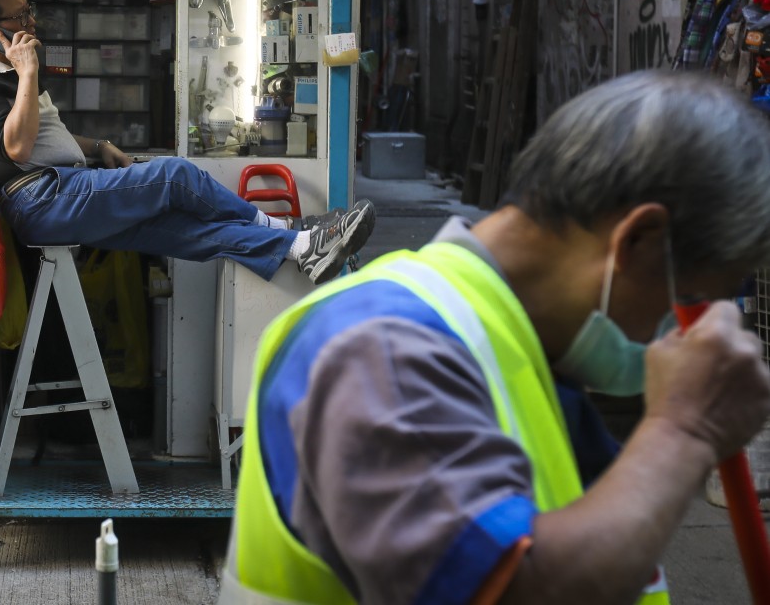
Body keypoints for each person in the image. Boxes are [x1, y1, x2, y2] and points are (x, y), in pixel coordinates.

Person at [221, 70, 770, 605]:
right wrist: (685, 429)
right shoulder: (378, 349)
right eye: (701, 296)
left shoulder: (524, 351)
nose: (696, 333)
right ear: (637, 241)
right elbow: (512, 586)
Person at [0, 0, 375, 285]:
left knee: (188, 230)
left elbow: (43, 133)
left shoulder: (14, 72)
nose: (31, 20)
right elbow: (18, 148)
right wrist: (27, 73)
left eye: (29, 9)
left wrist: (99, 145)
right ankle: (289, 231)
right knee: (176, 174)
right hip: (42, 201)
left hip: (63, 190)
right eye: (19, 14)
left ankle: (301, 252)